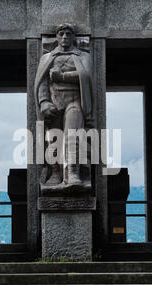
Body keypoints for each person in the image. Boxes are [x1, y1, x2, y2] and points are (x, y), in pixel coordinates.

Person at [34, 23, 94, 187]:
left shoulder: (83, 56)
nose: (65, 37)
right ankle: (56, 172)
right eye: (61, 34)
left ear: (73, 37)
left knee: (72, 135)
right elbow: (42, 82)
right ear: (57, 37)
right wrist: (44, 102)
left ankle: (73, 173)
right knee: (53, 138)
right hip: (54, 102)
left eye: (68, 34)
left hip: (74, 101)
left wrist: (62, 76)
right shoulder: (48, 58)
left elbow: (86, 76)